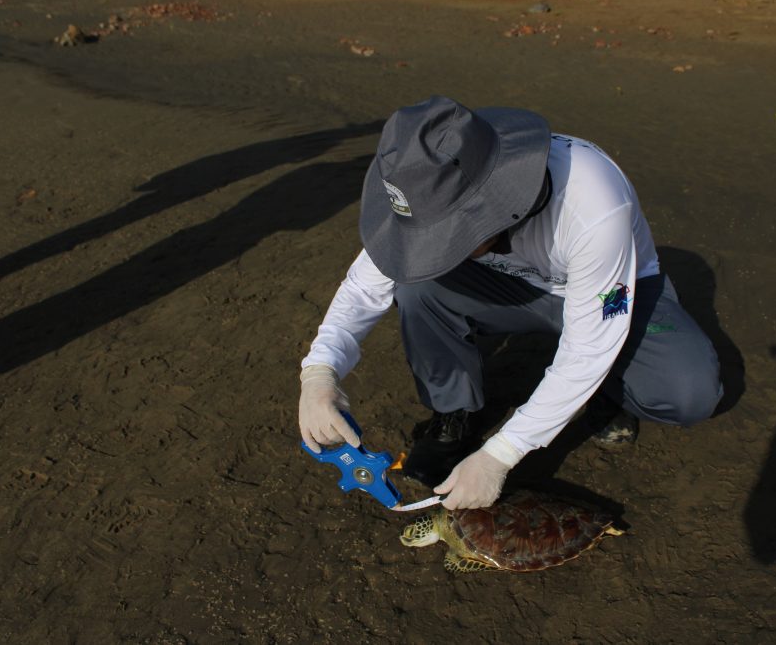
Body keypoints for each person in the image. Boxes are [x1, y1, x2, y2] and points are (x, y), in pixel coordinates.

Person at [298, 96, 722, 510]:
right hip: (506, 282)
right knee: (416, 285)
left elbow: (589, 344)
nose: (429, 248)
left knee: (688, 392)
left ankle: (606, 389)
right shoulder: (430, 181)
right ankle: (453, 413)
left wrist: (502, 454)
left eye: (439, 238)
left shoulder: (592, 202)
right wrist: (320, 372)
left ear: (493, 205)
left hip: (614, 286)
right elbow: (363, 287)